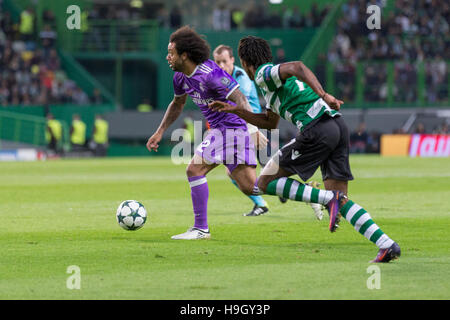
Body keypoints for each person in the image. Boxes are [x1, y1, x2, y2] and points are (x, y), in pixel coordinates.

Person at [208, 36, 400, 263]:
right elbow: (270, 122)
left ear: (246, 61)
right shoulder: (271, 87)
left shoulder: (263, 73)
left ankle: (327, 198)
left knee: (264, 183)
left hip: (316, 129)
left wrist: (324, 95)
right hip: (336, 126)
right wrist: (234, 110)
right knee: (341, 201)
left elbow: (297, 67)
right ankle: (387, 244)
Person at [146, 26, 266, 240]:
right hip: (220, 131)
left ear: (184, 55)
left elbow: (240, 98)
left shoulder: (211, 74)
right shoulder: (181, 77)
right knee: (251, 187)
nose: (167, 57)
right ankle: (310, 194)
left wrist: (253, 128)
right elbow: (177, 104)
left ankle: (201, 229)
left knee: (195, 170)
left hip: (233, 129)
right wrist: (159, 131)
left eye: (171, 53)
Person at [213, 44, 325, 219]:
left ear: (233, 60)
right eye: (217, 62)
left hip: (256, 131)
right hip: (245, 130)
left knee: (268, 178)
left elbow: (243, 101)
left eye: (224, 61)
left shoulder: (241, 77)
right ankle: (265, 203)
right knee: (245, 174)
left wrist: (253, 129)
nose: (221, 65)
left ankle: (309, 194)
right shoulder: (224, 77)